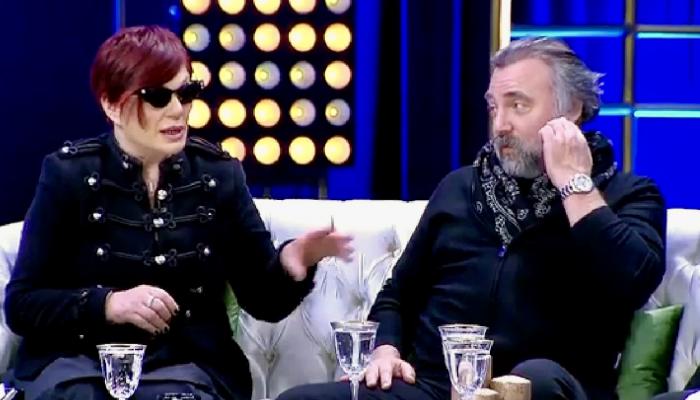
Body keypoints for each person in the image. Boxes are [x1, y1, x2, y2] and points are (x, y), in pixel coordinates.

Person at [278, 37, 666, 400]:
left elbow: (633, 282)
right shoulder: (460, 188)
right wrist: (385, 350)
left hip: (547, 390)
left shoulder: (627, 195)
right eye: (494, 107)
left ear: (572, 110)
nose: (500, 126)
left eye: (518, 105)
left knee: (537, 378)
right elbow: (399, 295)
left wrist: (574, 183)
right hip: (433, 388)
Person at [2, 25, 353, 400]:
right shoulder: (68, 175)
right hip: (81, 362)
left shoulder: (218, 175)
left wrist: (293, 261)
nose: (178, 110)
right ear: (111, 105)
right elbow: (23, 305)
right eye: (157, 97)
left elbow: (263, 301)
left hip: (186, 365)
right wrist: (107, 304)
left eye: (186, 93)